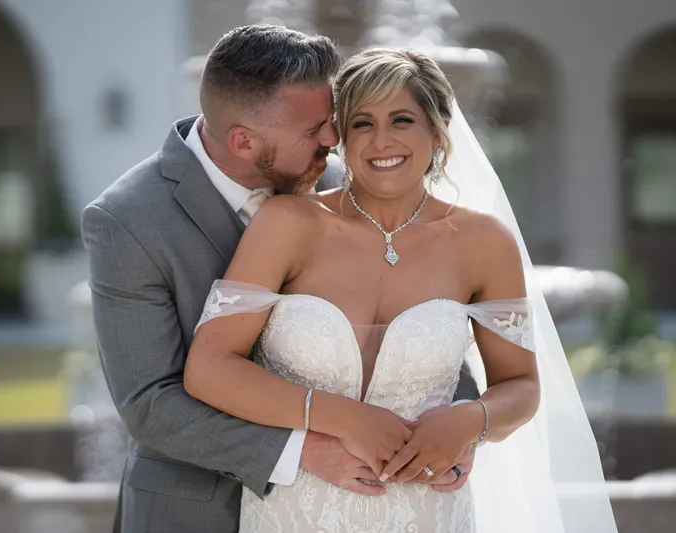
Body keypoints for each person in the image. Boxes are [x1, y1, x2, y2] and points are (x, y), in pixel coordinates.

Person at [184, 48, 619, 532]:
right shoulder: (287, 223)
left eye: (402, 119)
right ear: (341, 139)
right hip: (295, 510)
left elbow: (520, 387)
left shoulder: (483, 242)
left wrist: (467, 421)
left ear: (436, 130)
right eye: (362, 123)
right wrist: (345, 418)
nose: (381, 140)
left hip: (429, 510)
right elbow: (208, 369)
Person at [82, 26, 479, 533]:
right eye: (314, 130)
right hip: (197, 513)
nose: (334, 142)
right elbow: (149, 403)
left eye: (332, 121)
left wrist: (458, 421)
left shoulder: (344, 184)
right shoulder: (127, 220)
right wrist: (307, 452)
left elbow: (421, 314)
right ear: (244, 141)